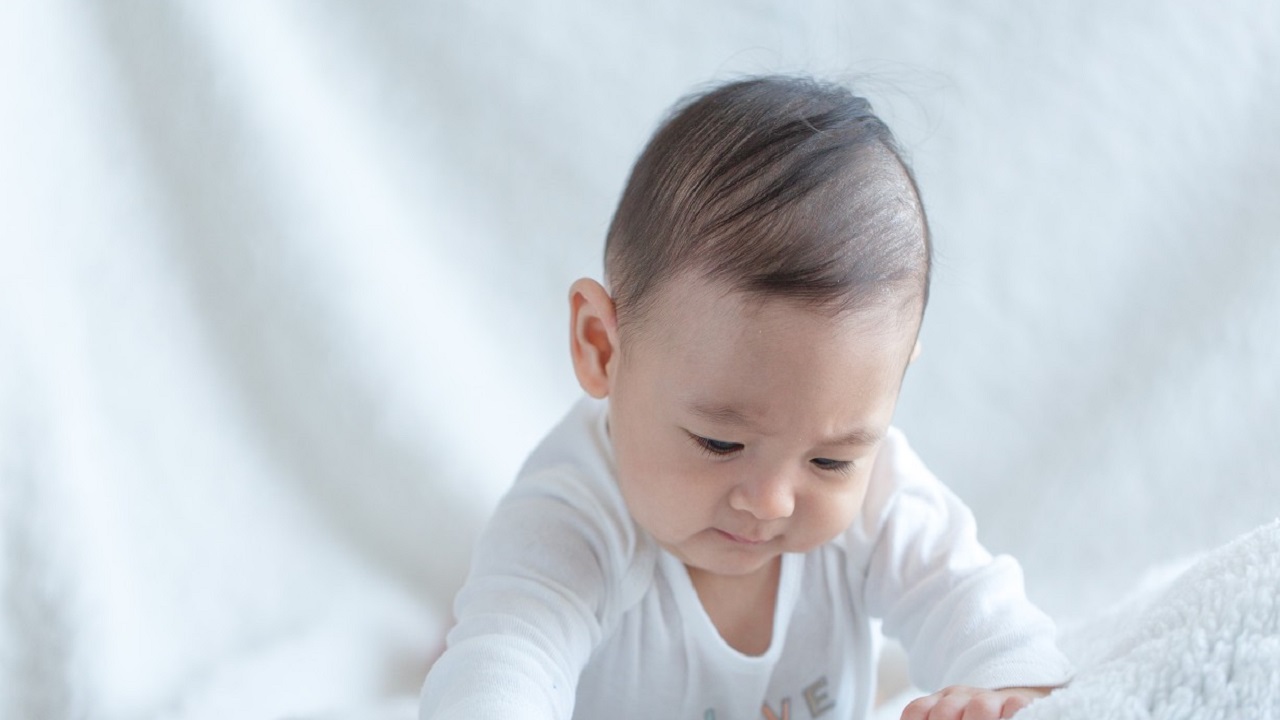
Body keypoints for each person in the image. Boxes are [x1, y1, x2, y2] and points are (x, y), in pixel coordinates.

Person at [419, 75, 1073, 720]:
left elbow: (984, 612)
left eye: (830, 462)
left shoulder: (884, 495)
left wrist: (1004, 689)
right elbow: (507, 659)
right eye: (719, 442)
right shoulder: (571, 519)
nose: (769, 502)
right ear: (602, 348)